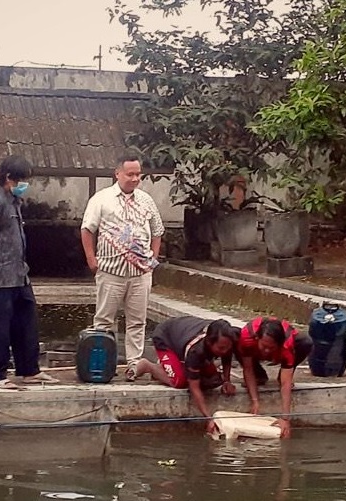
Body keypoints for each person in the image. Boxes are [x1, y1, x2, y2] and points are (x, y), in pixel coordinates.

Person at [0, 155, 59, 389]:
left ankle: (29, 369)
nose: (25, 184)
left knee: (26, 322)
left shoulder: (14, 202)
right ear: (9, 178)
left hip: (19, 274)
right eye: (22, 179)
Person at [81, 154, 165, 381]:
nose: (135, 178)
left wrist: (152, 261)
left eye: (138, 174)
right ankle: (101, 363)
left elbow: (157, 231)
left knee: (137, 321)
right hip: (111, 271)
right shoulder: (102, 199)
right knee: (104, 320)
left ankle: (134, 364)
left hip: (140, 272)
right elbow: (87, 229)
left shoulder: (147, 199)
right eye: (130, 174)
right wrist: (91, 258)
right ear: (117, 173)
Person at [135, 316, 239, 432]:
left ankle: (174, 366)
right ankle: (151, 367)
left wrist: (227, 380)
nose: (225, 351)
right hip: (166, 337)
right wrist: (208, 418)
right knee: (181, 381)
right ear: (209, 342)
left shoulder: (228, 335)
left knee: (214, 379)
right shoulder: (196, 351)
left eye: (228, 348)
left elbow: (227, 355)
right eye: (221, 348)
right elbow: (194, 387)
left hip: (184, 334)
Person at [238, 317, 313, 438]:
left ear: (279, 345)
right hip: (252, 349)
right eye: (264, 346)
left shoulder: (287, 344)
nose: (267, 350)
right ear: (257, 339)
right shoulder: (247, 337)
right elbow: (248, 370)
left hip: (284, 347)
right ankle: (260, 375)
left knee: (305, 342)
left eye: (271, 347)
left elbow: (285, 384)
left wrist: (285, 418)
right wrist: (255, 401)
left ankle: (281, 373)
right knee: (235, 341)